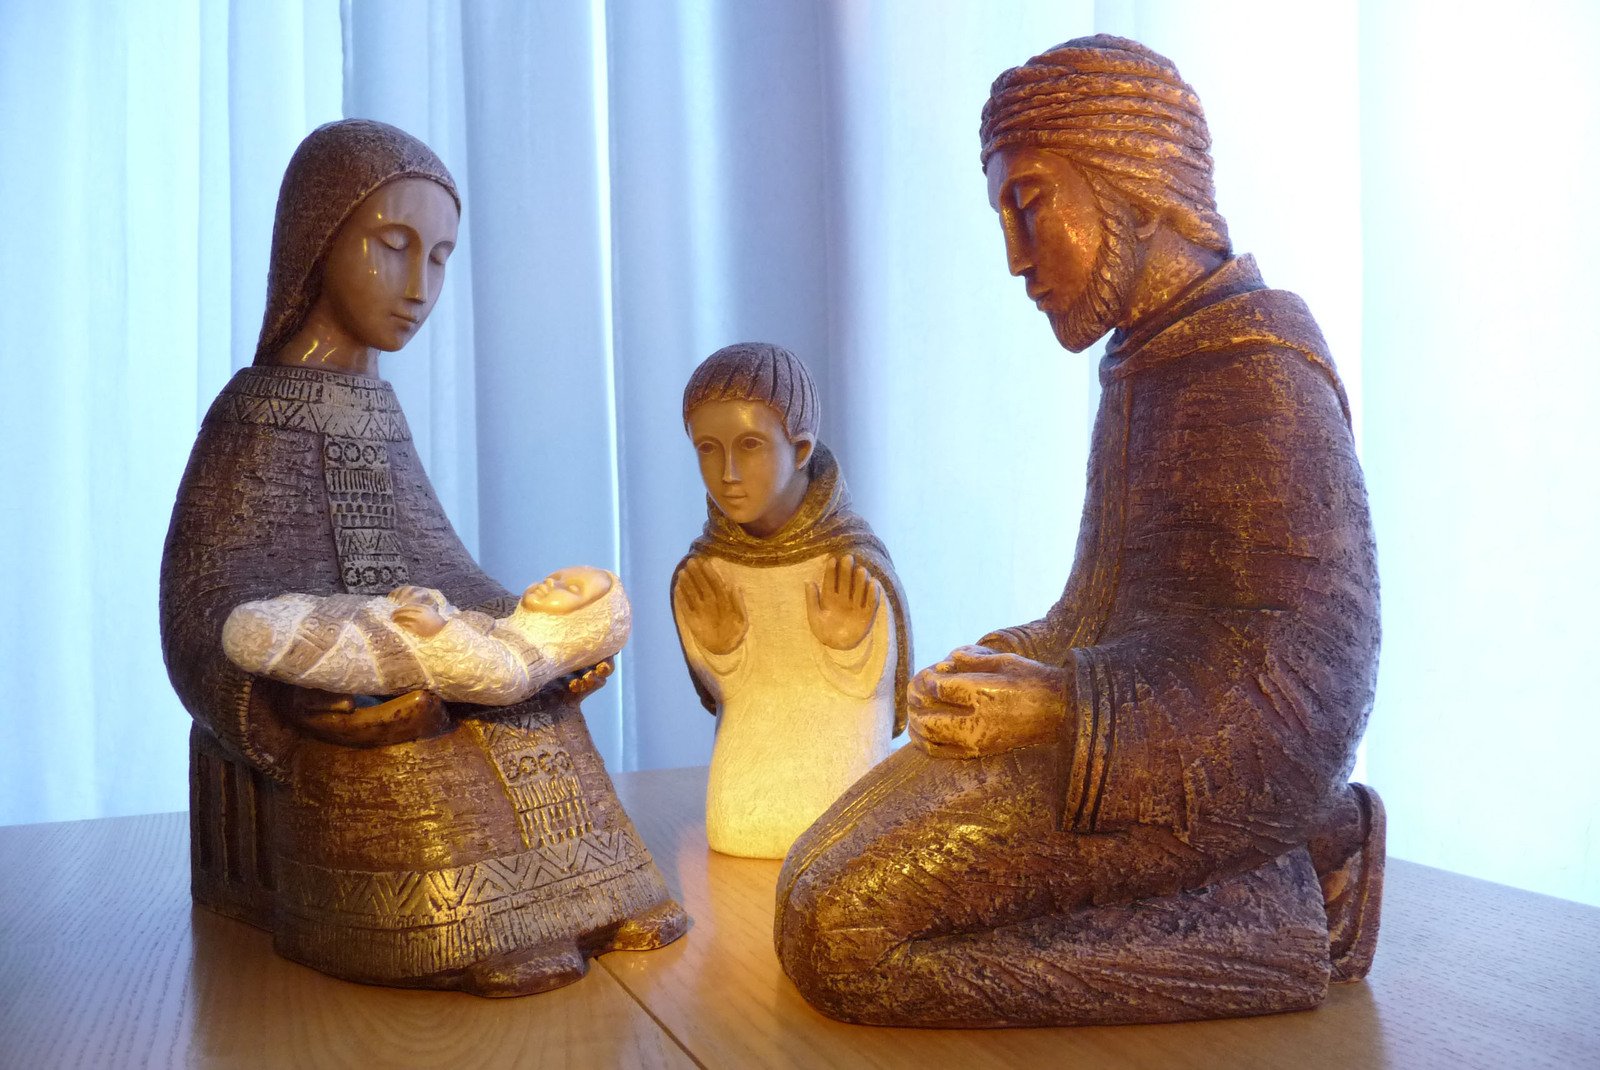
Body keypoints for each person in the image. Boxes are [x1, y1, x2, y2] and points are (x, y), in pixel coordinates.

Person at [775, 37, 1384, 1027]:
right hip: (1128, 743)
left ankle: (1275, 922)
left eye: (1030, 206)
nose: (1016, 260)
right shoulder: (1151, 358)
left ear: (1128, 180)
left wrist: (1064, 705)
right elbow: (1102, 609)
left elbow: (1311, 683)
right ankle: (1292, 868)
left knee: (842, 935)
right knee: (806, 878)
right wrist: (1005, 665)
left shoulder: (1260, 369)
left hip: (1199, 772)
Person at [161, 119, 685, 997]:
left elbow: (440, 561)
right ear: (318, 241)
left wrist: (532, 634)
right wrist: (283, 692)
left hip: (404, 635)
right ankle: (469, 927)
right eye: (392, 246)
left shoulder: (379, 411)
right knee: (410, 726)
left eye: (439, 257)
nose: (419, 285)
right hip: (320, 681)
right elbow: (200, 597)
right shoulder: (249, 416)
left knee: (526, 702)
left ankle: (595, 895)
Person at [672, 343, 912, 859]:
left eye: (751, 444)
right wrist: (723, 653)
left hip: (840, 793)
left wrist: (851, 652)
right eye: (707, 448)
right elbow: (729, 697)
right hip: (744, 785)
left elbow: (874, 702)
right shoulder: (708, 568)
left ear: (801, 449)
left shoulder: (850, 560)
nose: (728, 472)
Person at [221, 567, 630, 706]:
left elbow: (501, 676)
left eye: (570, 590)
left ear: (584, 625)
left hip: (394, 654)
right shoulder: (505, 627)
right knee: (319, 613)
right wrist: (428, 601)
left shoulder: (530, 657)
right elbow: (460, 618)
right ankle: (276, 622)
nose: (550, 583)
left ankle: (271, 636)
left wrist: (441, 632)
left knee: (323, 643)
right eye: (555, 576)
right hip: (384, 622)